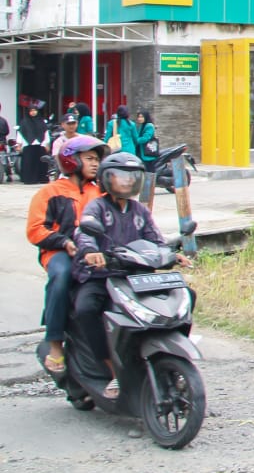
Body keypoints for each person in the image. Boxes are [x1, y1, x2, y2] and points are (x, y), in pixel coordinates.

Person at [73, 151, 190, 398]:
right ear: (107, 179)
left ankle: (169, 357)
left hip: (136, 276)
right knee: (85, 308)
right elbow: (83, 232)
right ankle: (110, 368)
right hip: (102, 275)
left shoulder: (139, 211)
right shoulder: (97, 206)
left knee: (186, 296)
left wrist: (170, 254)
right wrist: (91, 251)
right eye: (120, 176)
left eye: (131, 177)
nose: (127, 182)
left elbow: (155, 238)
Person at [27, 135, 107, 375]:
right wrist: (63, 241)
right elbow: (35, 229)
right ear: (71, 161)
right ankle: (54, 344)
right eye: (89, 159)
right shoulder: (50, 192)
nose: (95, 164)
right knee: (61, 275)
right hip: (59, 252)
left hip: (94, 251)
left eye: (97, 160)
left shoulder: (100, 192)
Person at [17, 104, 50, 184]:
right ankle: (29, 179)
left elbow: (46, 133)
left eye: (34, 110)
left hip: (40, 145)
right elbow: (20, 134)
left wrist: (47, 144)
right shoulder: (24, 122)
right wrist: (19, 144)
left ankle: (42, 178)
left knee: (41, 163)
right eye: (31, 110)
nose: (33, 112)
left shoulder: (41, 121)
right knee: (29, 163)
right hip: (28, 146)